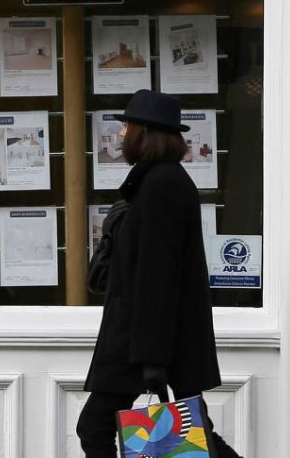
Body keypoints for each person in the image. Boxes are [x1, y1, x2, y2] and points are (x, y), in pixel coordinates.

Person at [77, 89, 241, 458]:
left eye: (128, 127)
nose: (122, 136)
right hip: (147, 338)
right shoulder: (154, 181)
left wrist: (153, 359)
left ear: (146, 133)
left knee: (95, 428)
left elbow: (159, 277)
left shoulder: (162, 185)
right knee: (195, 437)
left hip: (144, 341)